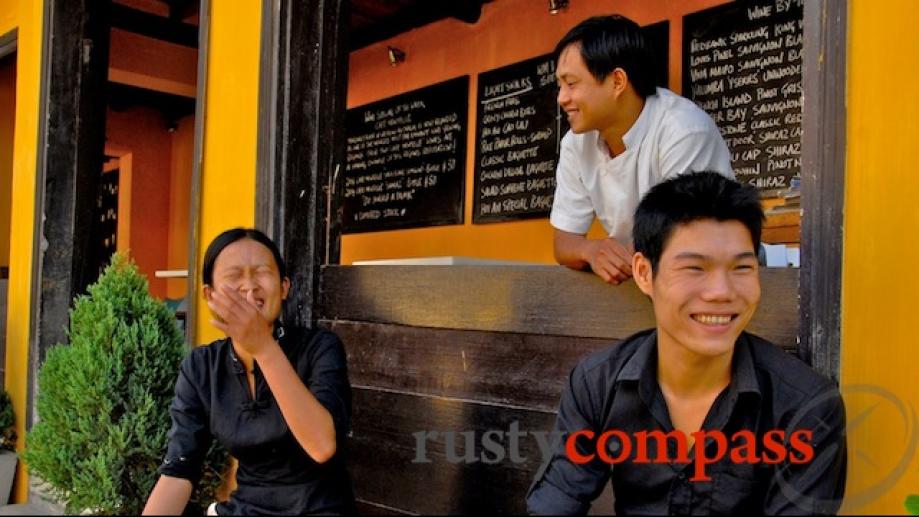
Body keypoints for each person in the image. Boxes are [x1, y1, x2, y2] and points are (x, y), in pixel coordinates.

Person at [528, 172, 846, 515]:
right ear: (645, 274)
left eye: (741, 268)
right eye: (695, 268)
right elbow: (554, 504)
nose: (722, 292)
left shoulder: (806, 407)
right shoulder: (598, 383)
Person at [142, 228, 356, 515]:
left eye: (261, 273)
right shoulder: (201, 367)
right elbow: (179, 471)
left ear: (283, 287)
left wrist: (263, 348)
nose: (249, 286)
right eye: (234, 276)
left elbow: (322, 446)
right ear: (210, 294)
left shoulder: (320, 348)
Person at [551, 15, 734, 285]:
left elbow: (690, 240)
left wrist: (620, 255)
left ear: (617, 82)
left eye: (571, 83)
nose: (561, 98)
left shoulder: (683, 130)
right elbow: (563, 242)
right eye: (560, 85)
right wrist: (590, 250)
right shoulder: (576, 143)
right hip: (644, 279)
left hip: (712, 278)